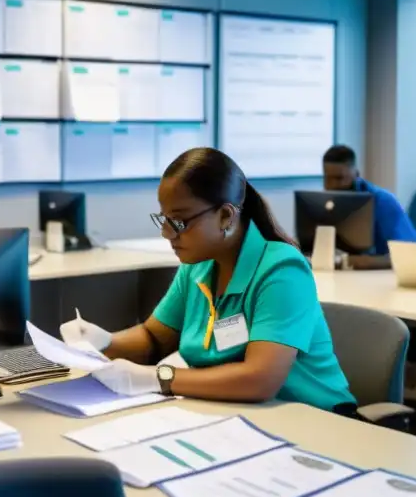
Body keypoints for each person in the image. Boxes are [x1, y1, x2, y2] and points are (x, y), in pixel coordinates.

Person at [61, 147, 355, 412]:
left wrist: (159, 378)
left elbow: (259, 380)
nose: (166, 233)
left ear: (226, 216)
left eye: (179, 222)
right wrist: (104, 341)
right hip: (234, 415)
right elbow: (153, 338)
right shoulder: (197, 266)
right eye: (163, 219)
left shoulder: (282, 271)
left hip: (313, 420)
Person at [322, 144, 416, 269]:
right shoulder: (326, 203)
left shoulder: (383, 201)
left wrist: (363, 261)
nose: (332, 186)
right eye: (327, 179)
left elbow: (411, 255)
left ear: (356, 174)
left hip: (384, 278)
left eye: (339, 178)